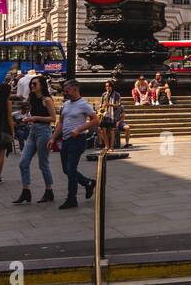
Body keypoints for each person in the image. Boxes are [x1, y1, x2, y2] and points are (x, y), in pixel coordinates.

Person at [52, 79, 99, 209]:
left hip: (78, 140)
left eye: (67, 90)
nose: (65, 93)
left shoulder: (83, 104)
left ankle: (72, 198)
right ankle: (88, 183)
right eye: (64, 91)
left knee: (71, 169)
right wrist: (53, 138)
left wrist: (79, 129)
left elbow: (95, 120)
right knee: (66, 169)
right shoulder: (66, 104)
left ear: (75, 89)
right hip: (66, 140)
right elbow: (60, 122)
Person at [13, 76, 56, 205]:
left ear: (41, 85)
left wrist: (35, 117)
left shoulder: (47, 99)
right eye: (31, 84)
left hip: (44, 131)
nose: (32, 86)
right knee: (23, 162)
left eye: (34, 84)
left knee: (43, 163)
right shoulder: (32, 97)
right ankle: (26, 191)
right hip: (33, 131)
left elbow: (53, 118)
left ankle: (49, 191)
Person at [99, 79, 124, 151]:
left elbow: (118, 105)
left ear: (112, 87)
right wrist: (101, 108)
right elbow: (101, 104)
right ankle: (106, 146)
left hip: (112, 115)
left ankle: (111, 147)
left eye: (108, 86)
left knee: (111, 131)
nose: (107, 88)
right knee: (103, 130)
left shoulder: (117, 94)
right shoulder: (104, 94)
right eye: (106, 86)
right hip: (104, 115)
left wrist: (109, 104)